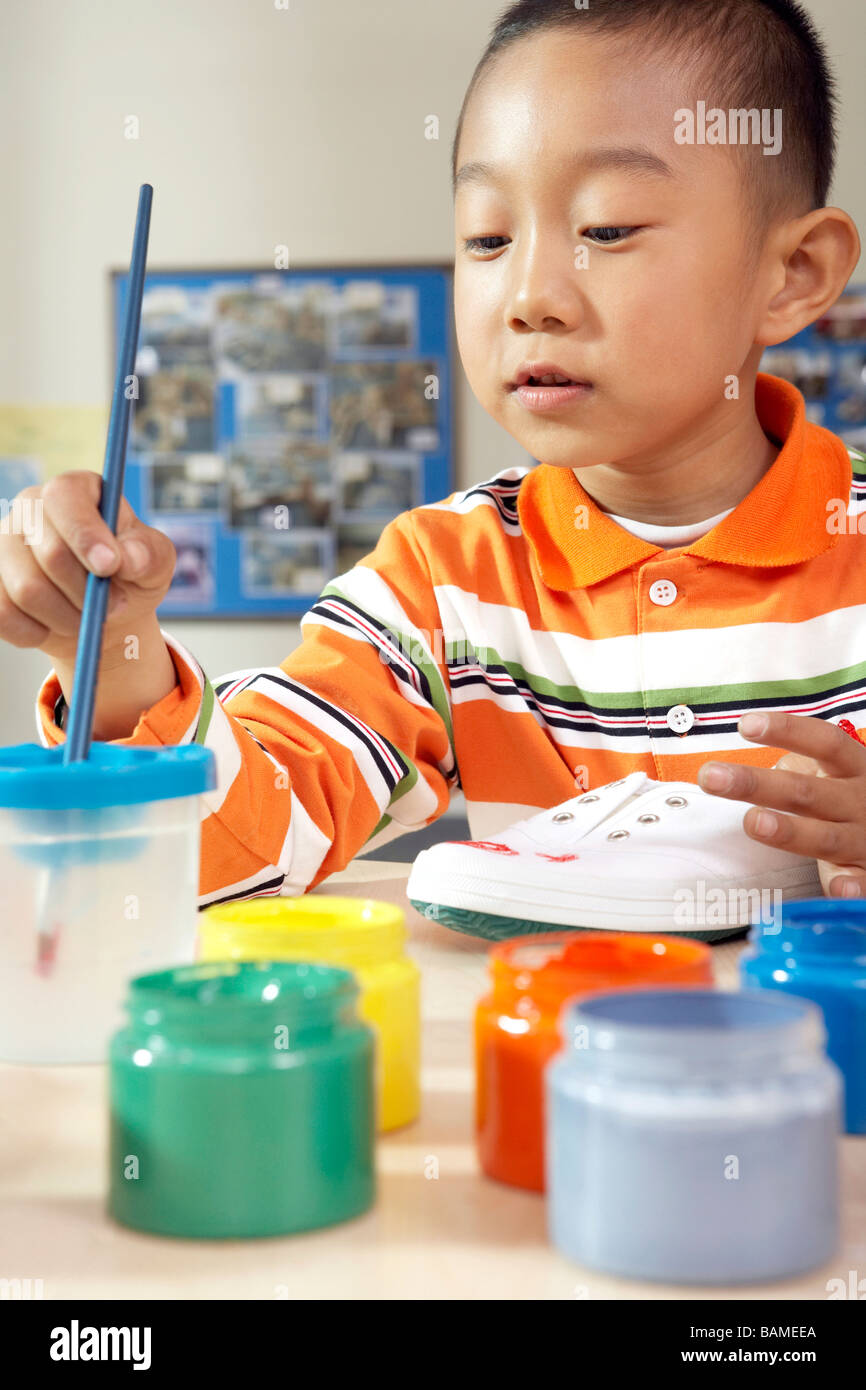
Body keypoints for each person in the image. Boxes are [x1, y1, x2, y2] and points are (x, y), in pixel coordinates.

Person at [2, 0, 865, 908]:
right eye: (488, 238)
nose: (529, 295)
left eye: (606, 229)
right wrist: (110, 644)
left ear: (793, 274)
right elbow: (238, 846)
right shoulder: (438, 585)